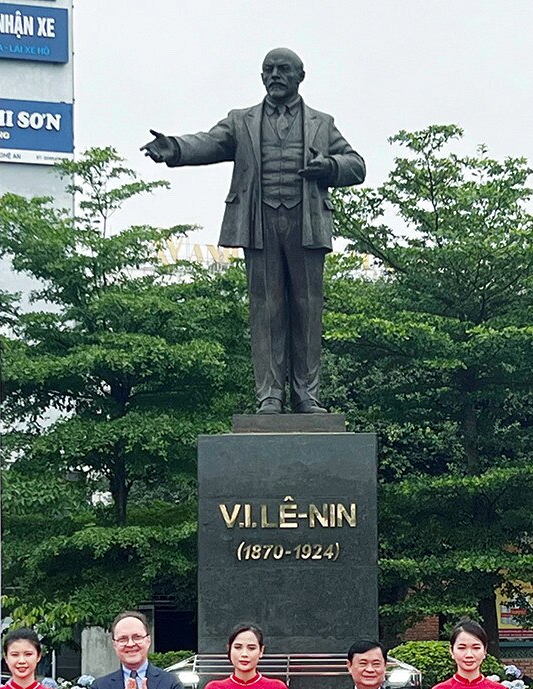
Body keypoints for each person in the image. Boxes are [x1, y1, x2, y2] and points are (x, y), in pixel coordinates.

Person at [140, 47, 366, 414]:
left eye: (283, 69)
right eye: (268, 70)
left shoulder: (323, 123)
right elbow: (210, 141)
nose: (275, 75)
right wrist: (176, 148)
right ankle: (270, 394)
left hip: (305, 223)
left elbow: (357, 165)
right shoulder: (240, 120)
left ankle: (307, 394)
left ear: (300, 76)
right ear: (262, 77)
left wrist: (329, 166)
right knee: (266, 308)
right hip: (258, 223)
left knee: (307, 309)